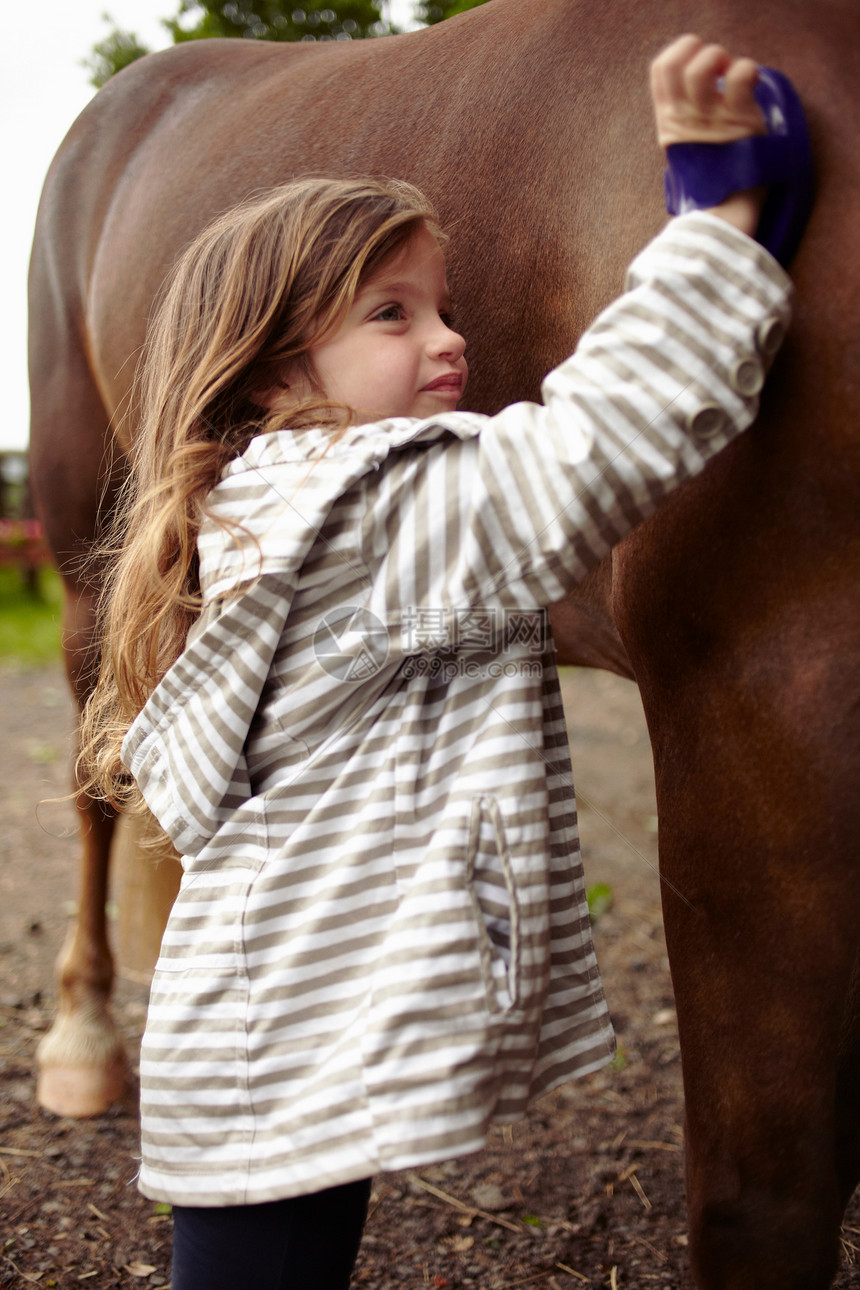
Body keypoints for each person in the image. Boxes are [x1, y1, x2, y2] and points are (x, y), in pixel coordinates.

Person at [81, 33, 810, 1290]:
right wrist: (711, 227)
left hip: (274, 1037)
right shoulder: (371, 513)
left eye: (444, 306)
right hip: (284, 1046)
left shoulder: (275, 503)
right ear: (270, 373)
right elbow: (592, 445)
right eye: (391, 314)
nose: (449, 341)